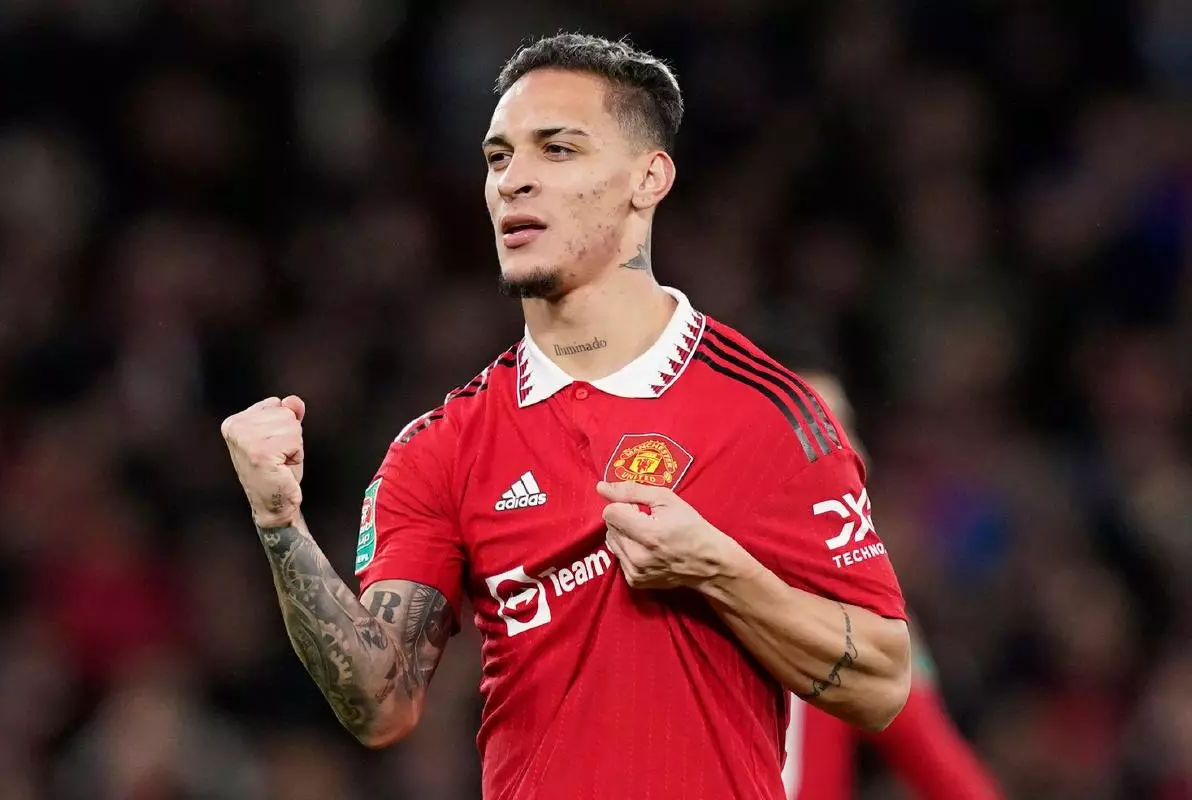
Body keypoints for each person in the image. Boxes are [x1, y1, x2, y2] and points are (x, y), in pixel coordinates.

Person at [220, 33, 911, 800]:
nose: (514, 181)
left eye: (557, 150)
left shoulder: (769, 410)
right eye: (497, 157)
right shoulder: (441, 448)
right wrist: (281, 526)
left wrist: (718, 570)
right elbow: (380, 704)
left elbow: (881, 681)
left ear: (648, 179)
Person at [780, 369, 1003, 800]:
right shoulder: (679, 590)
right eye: (824, 433)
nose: (857, 455)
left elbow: (941, 767)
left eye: (847, 430)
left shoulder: (865, 615)